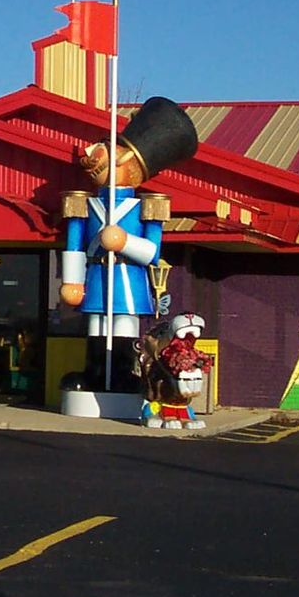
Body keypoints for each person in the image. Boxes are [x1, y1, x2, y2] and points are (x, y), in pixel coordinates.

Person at [60, 97, 198, 391]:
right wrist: (72, 280)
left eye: (106, 150)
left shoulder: (144, 208)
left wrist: (123, 241)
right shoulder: (85, 204)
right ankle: (94, 376)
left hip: (127, 279)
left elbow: (152, 252)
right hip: (97, 275)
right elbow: (74, 244)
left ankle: (122, 376)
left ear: (126, 162)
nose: (90, 155)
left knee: (123, 326)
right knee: (97, 327)